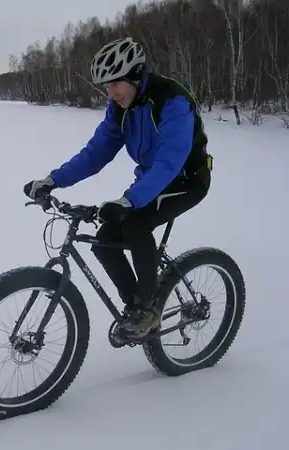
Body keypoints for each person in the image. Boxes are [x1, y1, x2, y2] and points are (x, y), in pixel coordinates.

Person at [23, 37, 213, 338]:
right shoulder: (121, 110)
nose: (110, 93)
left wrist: (128, 201)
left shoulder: (172, 102)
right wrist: (53, 180)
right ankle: (135, 307)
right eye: (106, 87)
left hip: (187, 179)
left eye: (114, 84)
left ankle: (147, 310)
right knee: (104, 239)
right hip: (151, 181)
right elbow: (94, 154)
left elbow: (169, 162)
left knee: (135, 223)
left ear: (135, 76)